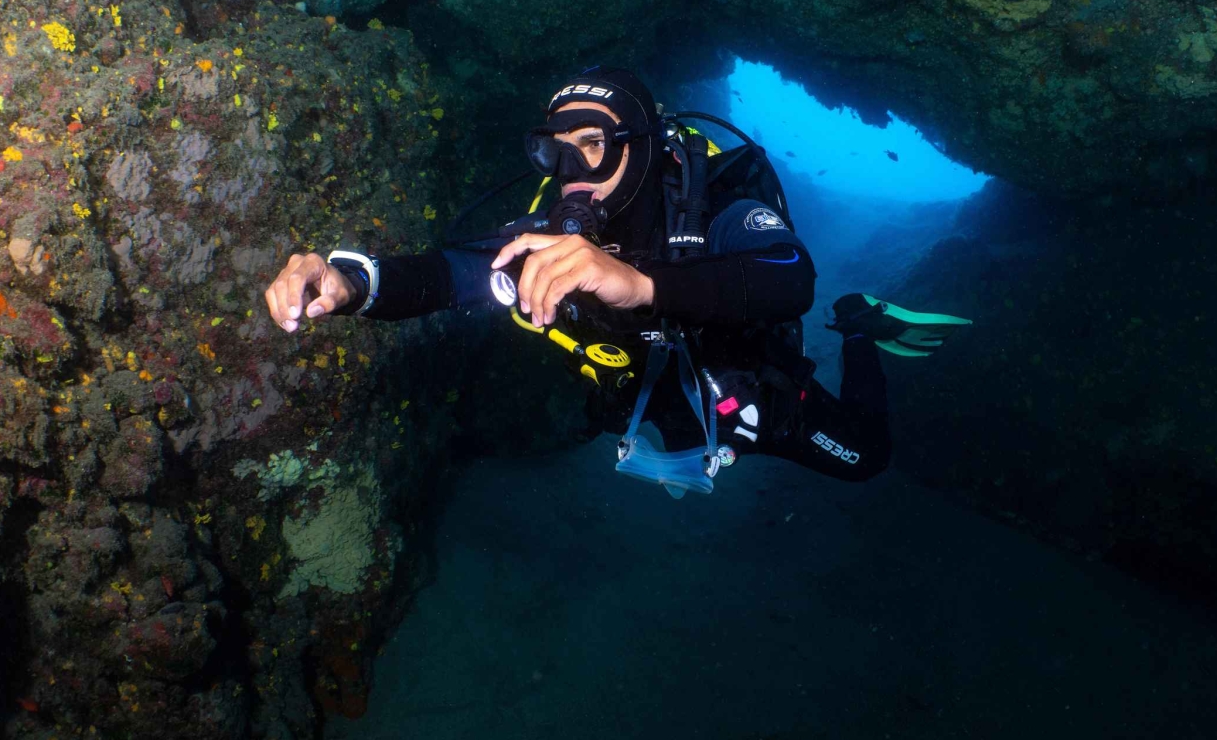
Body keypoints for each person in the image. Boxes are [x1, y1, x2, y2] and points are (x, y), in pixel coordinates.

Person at [264, 67, 964, 485]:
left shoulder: (712, 202)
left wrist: (641, 284)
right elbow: (452, 276)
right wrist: (352, 282)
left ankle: (861, 325)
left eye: (593, 144)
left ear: (643, 147)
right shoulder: (549, 232)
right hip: (651, 403)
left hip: (749, 391)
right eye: (556, 151)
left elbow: (788, 275)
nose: (572, 172)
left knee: (865, 458)